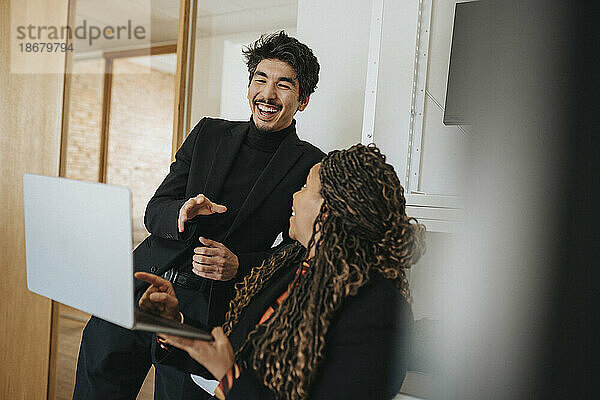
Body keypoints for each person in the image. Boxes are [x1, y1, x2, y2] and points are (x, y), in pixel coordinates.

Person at [73, 31, 324, 400]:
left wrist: (239, 264)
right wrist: (180, 211)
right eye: (260, 79)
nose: (267, 95)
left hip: (208, 309)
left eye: (283, 85)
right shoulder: (208, 132)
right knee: (98, 384)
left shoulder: (311, 165)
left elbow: (298, 252)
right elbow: (154, 210)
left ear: (302, 100)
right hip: (141, 282)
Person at [136, 144, 427, 399]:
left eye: (305, 188)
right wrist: (174, 324)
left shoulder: (379, 311)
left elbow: (231, 372)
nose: (295, 197)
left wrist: (230, 377)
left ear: (331, 210)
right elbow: (230, 354)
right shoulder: (288, 267)